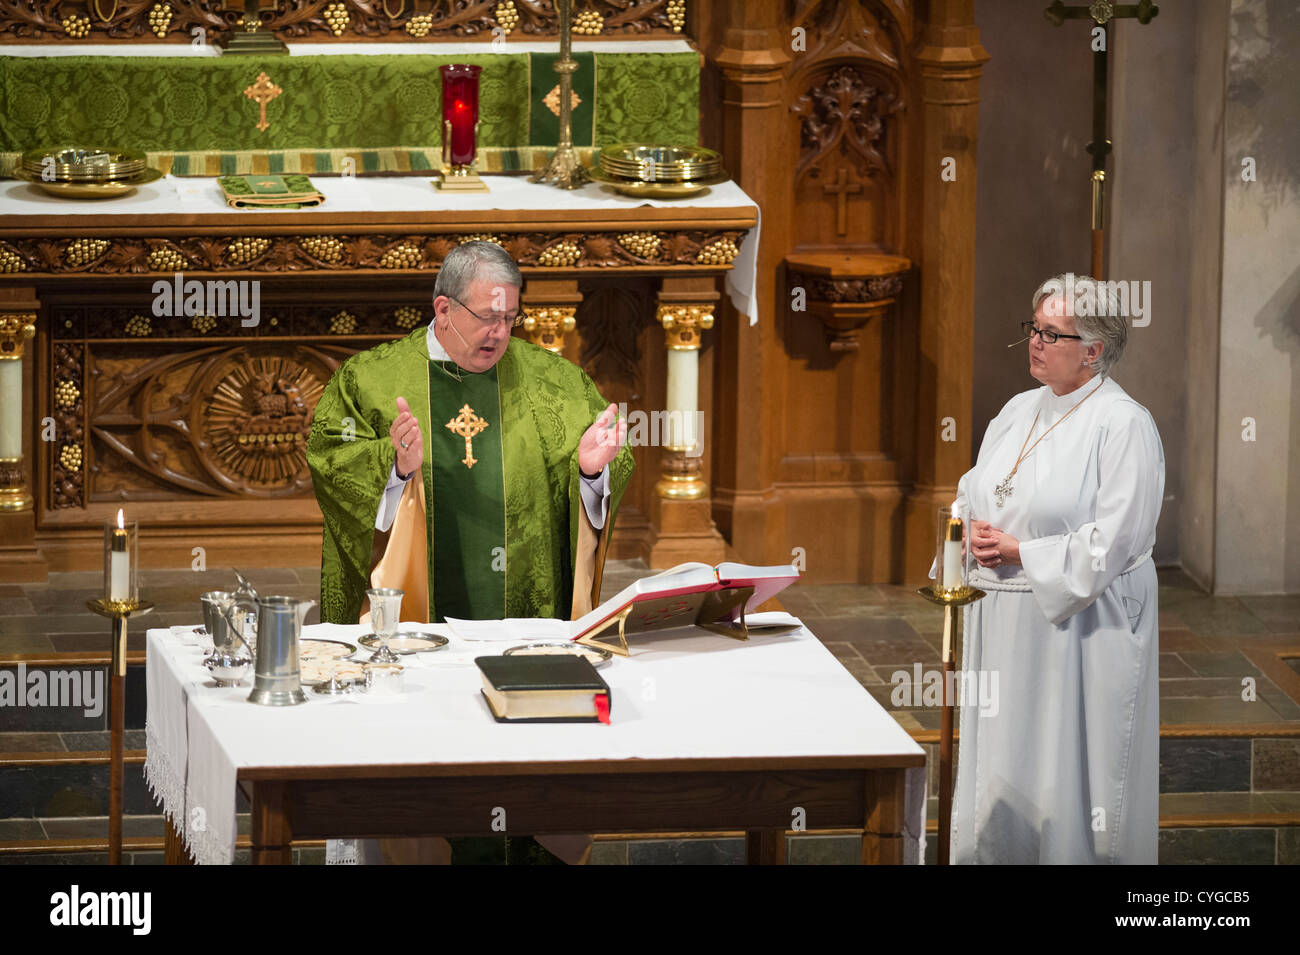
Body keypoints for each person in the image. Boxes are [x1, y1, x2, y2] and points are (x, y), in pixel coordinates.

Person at [305, 241, 634, 864]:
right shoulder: (372, 382)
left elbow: (604, 463)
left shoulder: (553, 381)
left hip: (523, 629)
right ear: (443, 309)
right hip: (416, 630)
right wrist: (393, 469)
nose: (500, 333)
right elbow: (330, 465)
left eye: (512, 319)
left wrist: (590, 473)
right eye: (488, 317)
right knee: (424, 787)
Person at [949, 272, 1164, 864]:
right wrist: (966, 525)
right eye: (1033, 329)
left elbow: (1115, 541)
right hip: (1004, 623)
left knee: (1066, 765)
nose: (1035, 343)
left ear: (1093, 352)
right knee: (1006, 754)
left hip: (1081, 628)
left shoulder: (1123, 425)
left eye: (1052, 334)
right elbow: (973, 489)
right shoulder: (1020, 409)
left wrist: (1024, 553)